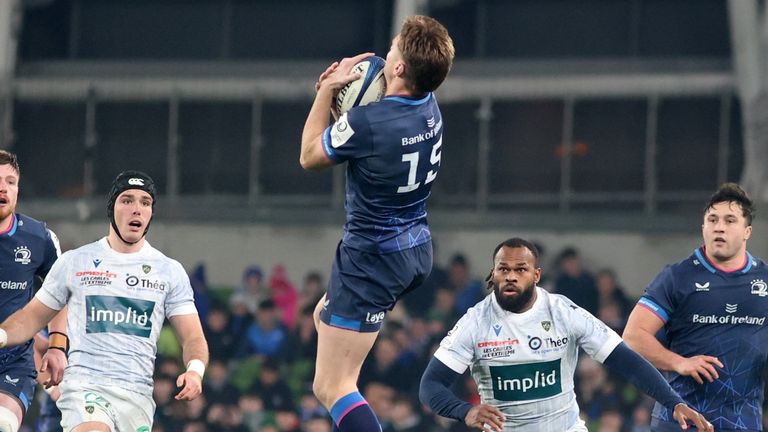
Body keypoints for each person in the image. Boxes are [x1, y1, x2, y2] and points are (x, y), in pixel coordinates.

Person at [299, 15, 454, 432]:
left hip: (371, 258)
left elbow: (310, 156)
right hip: (415, 246)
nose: (387, 54)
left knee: (331, 385)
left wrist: (328, 92)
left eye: (393, 50)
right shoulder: (429, 102)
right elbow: (384, 111)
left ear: (400, 68)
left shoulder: (370, 123)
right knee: (321, 317)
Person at [418, 237, 713, 432]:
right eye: (503, 269)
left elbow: (627, 361)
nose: (510, 275)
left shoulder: (564, 312)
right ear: (493, 274)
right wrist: (464, 411)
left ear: (536, 275)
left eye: (520, 269)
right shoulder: (474, 322)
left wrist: (674, 401)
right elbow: (430, 386)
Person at [0, 170, 209, 432]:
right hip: (84, 388)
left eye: (145, 202)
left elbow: (193, 338)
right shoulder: (76, 262)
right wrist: (2, 335)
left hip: (137, 396)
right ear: (112, 209)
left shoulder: (169, 271)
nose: (137, 209)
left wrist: (195, 371)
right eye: (127, 200)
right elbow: (31, 318)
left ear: (151, 214)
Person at [624, 182, 768, 431]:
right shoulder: (677, 277)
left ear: (747, 231)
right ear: (703, 228)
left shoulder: (765, 279)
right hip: (681, 420)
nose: (719, 227)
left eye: (730, 220)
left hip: (743, 421)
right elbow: (633, 336)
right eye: (712, 220)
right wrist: (679, 362)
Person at [0, 149, 66, 432]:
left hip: (13, 363)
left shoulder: (39, 238)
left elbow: (60, 295)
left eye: (11, 181)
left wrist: (56, 346)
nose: (3, 188)